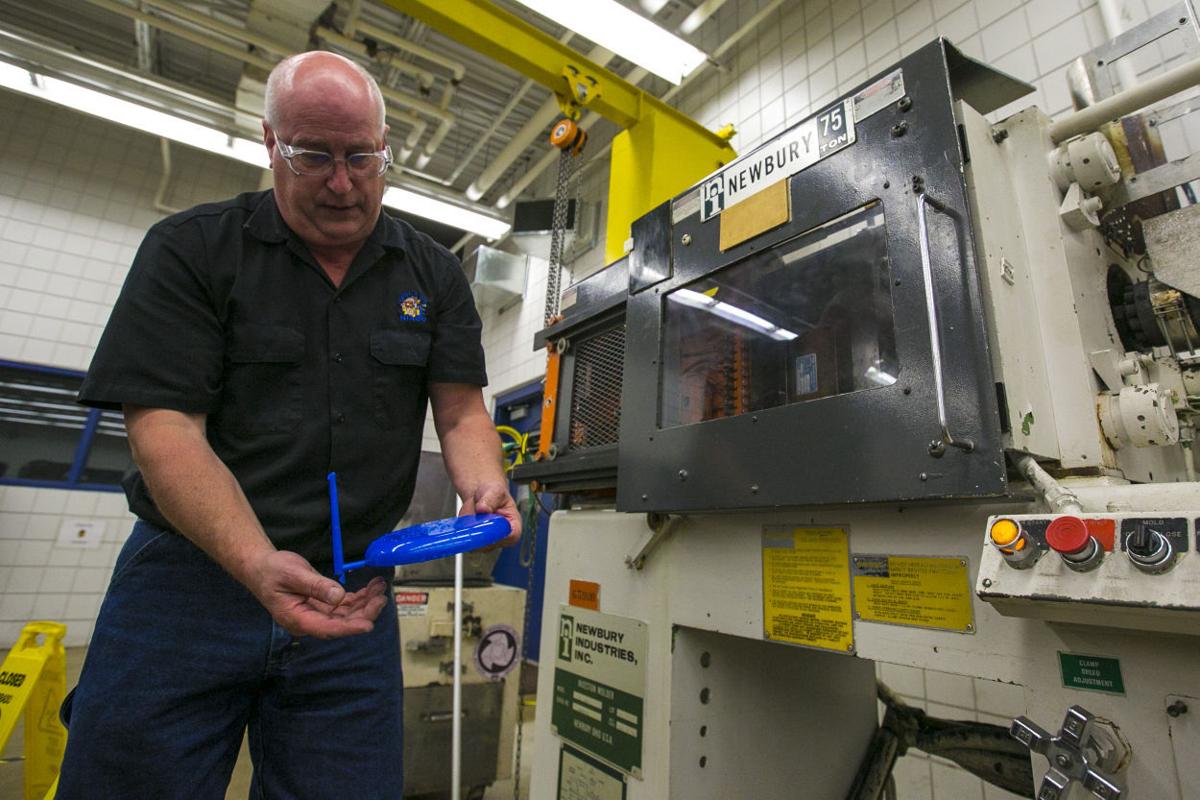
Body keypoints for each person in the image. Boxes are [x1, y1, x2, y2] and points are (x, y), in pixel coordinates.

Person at [58, 50, 520, 799]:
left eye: (362, 157)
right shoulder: (193, 250)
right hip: (188, 587)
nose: (342, 182)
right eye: (314, 156)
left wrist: (486, 485)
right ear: (270, 144)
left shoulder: (433, 274)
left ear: (385, 147)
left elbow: (461, 409)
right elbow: (165, 428)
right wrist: (252, 561)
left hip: (353, 597)